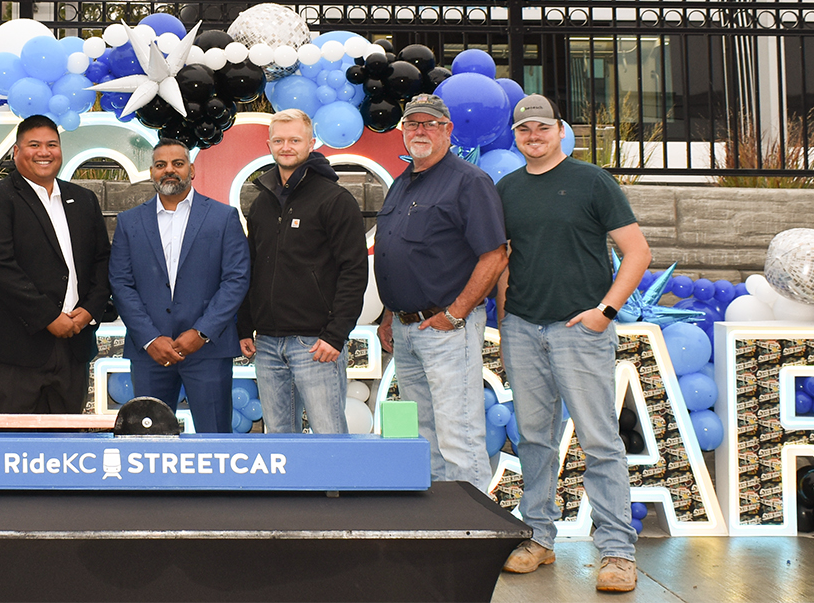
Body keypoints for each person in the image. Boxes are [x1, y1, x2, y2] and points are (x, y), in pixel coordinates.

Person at [496, 94, 650, 595]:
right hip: (522, 328)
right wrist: (505, 318)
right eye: (524, 131)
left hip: (579, 332)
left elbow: (636, 252)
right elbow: (507, 256)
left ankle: (617, 552)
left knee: (599, 441)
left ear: (560, 130)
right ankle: (538, 536)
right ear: (515, 137)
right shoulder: (508, 189)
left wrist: (604, 313)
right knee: (534, 440)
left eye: (542, 128)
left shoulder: (592, 181)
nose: (533, 137)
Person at [374, 95, 507, 485]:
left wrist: (455, 314)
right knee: (425, 436)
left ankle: (473, 536)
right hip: (406, 329)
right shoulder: (403, 182)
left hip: (447, 328)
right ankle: (440, 526)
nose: (420, 131)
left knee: (459, 435)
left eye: (430, 124)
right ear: (403, 131)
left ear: (448, 130)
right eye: (412, 124)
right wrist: (388, 316)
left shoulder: (469, 181)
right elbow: (397, 253)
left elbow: (494, 256)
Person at [0, 115, 112, 413]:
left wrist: (89, 311)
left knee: (63, 448)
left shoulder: (83, 199)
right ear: (17, 152)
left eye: (51, 145)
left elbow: (102, 261)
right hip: (12, 350)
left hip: (73, 345)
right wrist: (49, 317)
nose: (44, 152)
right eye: (34, 145)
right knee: (14, 450)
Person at [238, 109, 367, 435]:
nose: (286, 146)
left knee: (328, 435)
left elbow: (354, 270)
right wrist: (244, 326)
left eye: (295, 139)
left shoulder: (335, 200)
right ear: (268, 144)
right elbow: (251, 267)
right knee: (279, 439)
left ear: (311, 143)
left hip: (315, 343)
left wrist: (336, 335)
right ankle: (288, 492)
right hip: (266, 343)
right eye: (279, 140)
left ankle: (336, 489)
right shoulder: (261, 203)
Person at [109, 140, 251, 433]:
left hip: (207, 351)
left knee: (215, 441)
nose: (169, 170)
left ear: (192, 169)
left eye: (177, 163)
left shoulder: (223, 217)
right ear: (151, 172)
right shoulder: (129, 222)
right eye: (161, 165)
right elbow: (121, 283)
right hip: (150, 353)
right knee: (147, 441)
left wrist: (202, 332)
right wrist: (150, 338)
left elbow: (236, 279)